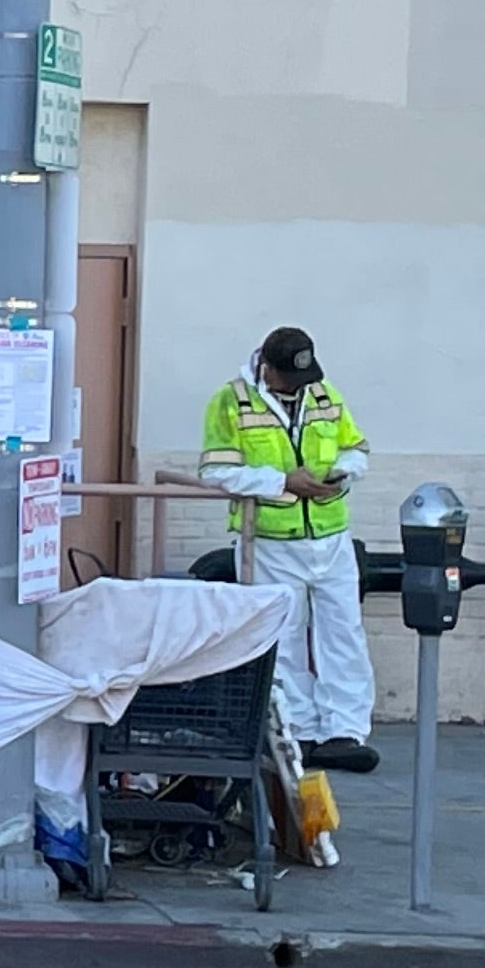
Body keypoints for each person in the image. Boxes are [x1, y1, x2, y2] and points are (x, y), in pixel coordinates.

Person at [200, 324, 379, 774]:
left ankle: (346, 732)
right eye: (291, 379)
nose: (302, 388)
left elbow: (356, 448)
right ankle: (298, 732)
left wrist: (342, 473)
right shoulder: (231, 401)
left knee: (344, 635)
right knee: (284, 639)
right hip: (271, 541)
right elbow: (217, 472)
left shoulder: (322, 392)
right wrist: (283, 482)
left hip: (330, 534)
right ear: (267, 368)